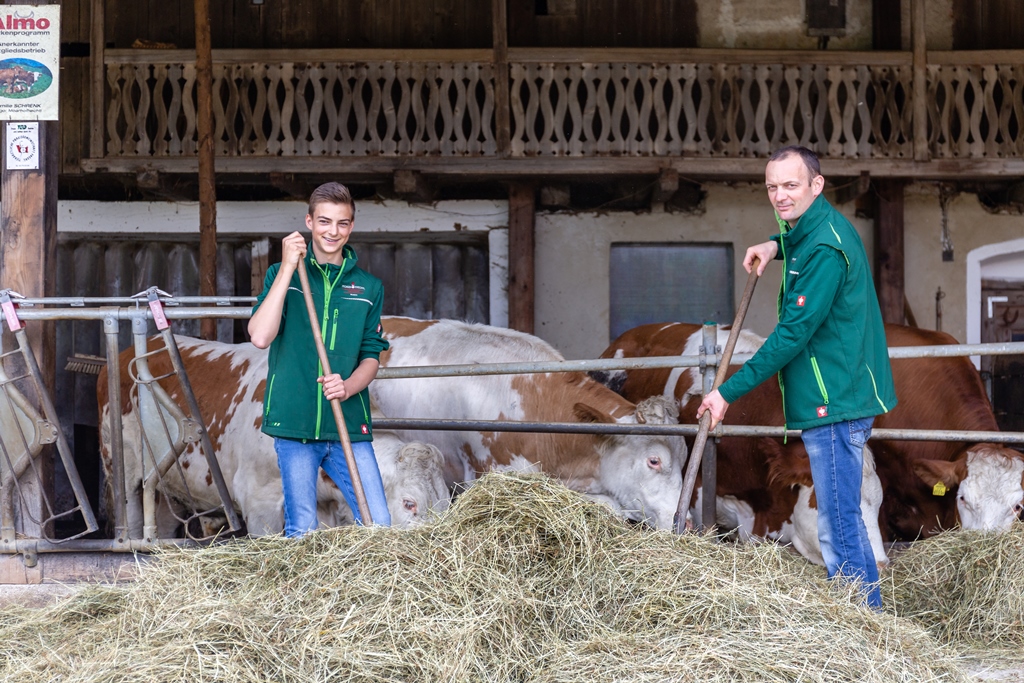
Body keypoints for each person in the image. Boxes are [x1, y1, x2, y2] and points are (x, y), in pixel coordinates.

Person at [697, 146, 896, 609]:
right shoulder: (813, 231)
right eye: (772, 187)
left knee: (837, 519)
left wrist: (726, 391)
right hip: (836, 394)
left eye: (791, 185)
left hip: (835, 403)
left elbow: (791, 336)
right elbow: (798, 238)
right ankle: (869, 610)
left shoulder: (824, 248)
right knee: (841, 513)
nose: (781, 196)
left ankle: (860, 617)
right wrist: (773, 244)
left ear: (816, 185)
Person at [249, 181, 392, 536]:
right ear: (309, 222)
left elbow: (371, 357)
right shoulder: (284, 277)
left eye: (342, 223)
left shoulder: (368, 288)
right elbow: (260, 336)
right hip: (295, 424)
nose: (333, 231)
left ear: (351, 227)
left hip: (348, 422)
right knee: (303, 530)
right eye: (325, 221)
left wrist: (347, 387)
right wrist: (286, 268)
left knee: (379, 524)